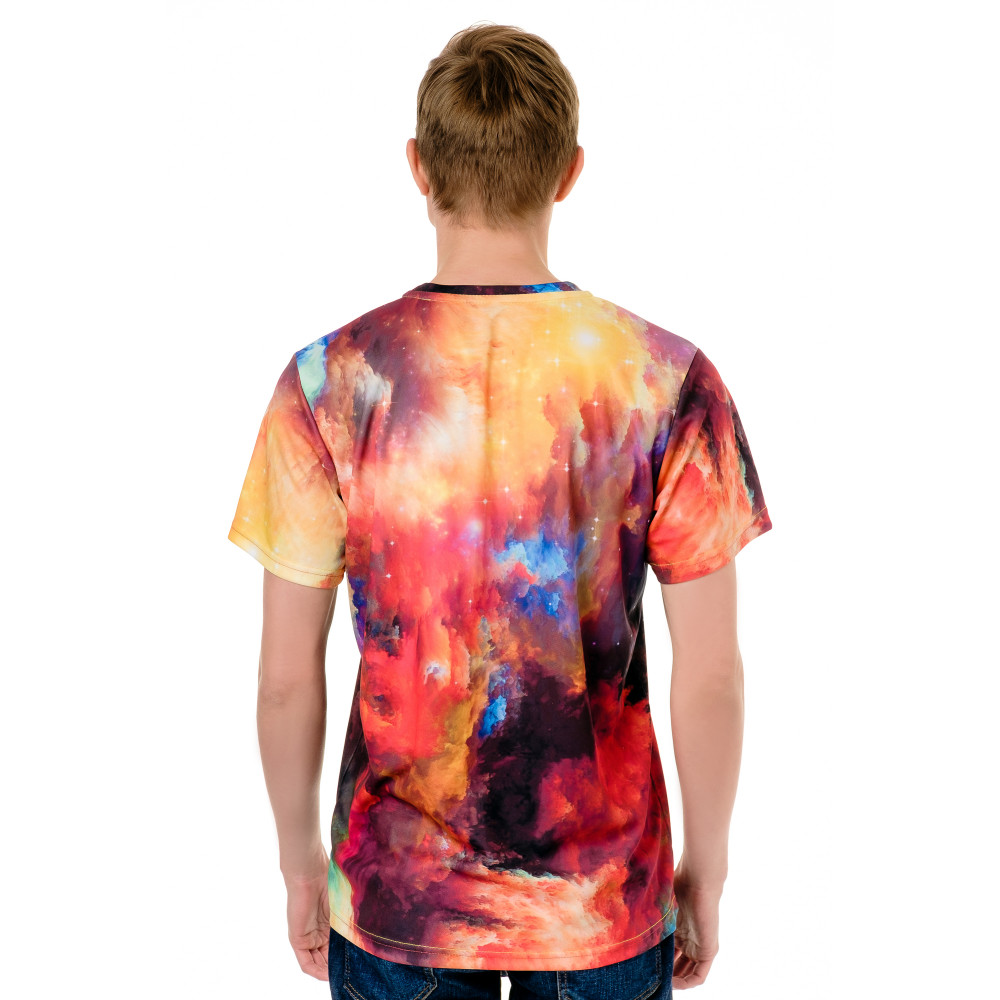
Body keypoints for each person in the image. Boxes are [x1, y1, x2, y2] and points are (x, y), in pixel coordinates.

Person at [227, 22, 773, 999]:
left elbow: (283, 681)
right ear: (568, 172)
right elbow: (713, 674)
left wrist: (300, 865)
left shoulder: (328, 384)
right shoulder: (665, 379)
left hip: (398, 905)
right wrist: (707, 874)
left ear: (416, 167)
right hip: (604, 905)